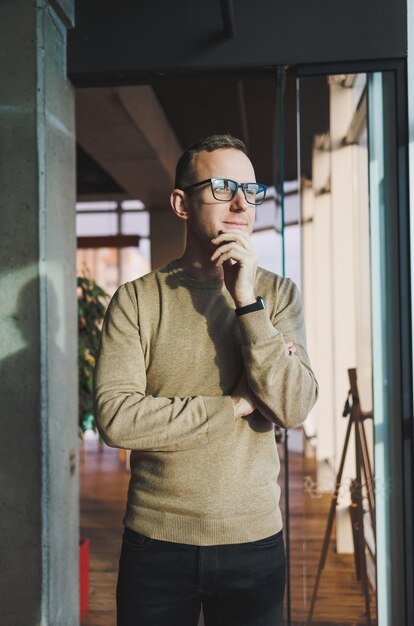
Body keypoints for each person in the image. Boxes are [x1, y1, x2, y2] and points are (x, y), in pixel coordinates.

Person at [93, 134, 319, 626]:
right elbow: (116, 420)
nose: (241, 202)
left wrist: (247, 305)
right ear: (180, 202)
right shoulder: (137, 301)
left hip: (254, 542)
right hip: (156, 542)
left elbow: (295, 408)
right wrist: (235, 406)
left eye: (250, 189)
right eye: (221, 187)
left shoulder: (277, 295)